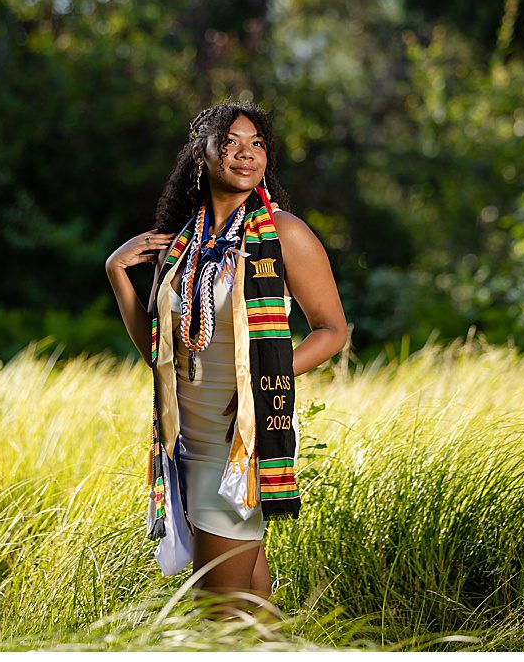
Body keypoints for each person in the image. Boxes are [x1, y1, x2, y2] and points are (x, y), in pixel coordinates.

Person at [103, 102, 347, 612]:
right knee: (249, 612)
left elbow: (332, 331)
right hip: (183, 438)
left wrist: (264, 382)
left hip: (237, 440)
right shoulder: (185, 244)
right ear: (201, 153)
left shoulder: (283, 233)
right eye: (231, 141)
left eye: (257, 144)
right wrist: (117, 272)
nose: (245, 153)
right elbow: (158, 352)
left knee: (218, 612)